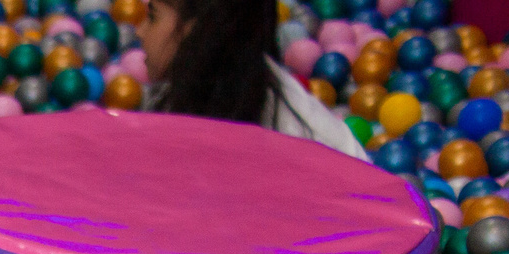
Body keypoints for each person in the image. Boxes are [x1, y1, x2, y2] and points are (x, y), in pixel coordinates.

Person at [136, 0, 370, 159]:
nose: (140, 31)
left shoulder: (297, 143)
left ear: (200, 31)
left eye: (153, 16)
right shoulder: (194, 92)